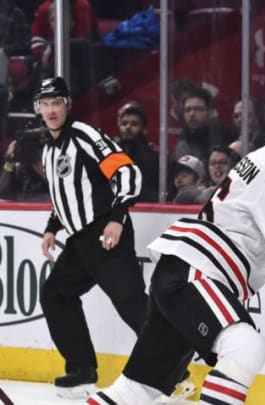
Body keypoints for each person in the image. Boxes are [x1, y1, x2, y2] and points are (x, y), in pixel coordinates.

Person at [88, 104, 265, 405]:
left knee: (137, 389)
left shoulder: (264, 159)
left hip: (181, 269)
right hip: (200, 272)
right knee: (246, 346)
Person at [33, 77, 147, 398]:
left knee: (131, 303)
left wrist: (118, 218)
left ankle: (174, 371)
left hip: (105, 233)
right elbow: (64, 195)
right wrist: (51, 227)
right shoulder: (49, 149)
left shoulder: (85, 135)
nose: (52, 109)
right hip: (81, 242)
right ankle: (82, 370)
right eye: (46, 104)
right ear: (38, 109)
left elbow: (126, 171)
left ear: (67, 104)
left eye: (57, 102)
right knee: (55, 295)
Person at [115, 102, 159, 202]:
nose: (128, 127)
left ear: (144, 129)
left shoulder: (152, 156)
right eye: (124, 123)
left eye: (134, 124)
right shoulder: (112, 152)